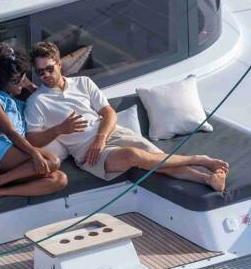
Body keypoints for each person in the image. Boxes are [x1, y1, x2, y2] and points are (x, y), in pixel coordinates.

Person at [24, 42, 228, 191]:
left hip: (109, 133)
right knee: (134, 156)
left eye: (49, 69)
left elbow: (108, 112)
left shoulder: (83, 82)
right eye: (40, 72)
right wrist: (59, 130)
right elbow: (32, 139)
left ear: (59, 64)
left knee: (157, 160)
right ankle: (199, 159)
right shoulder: (37, 101)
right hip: (87, 152)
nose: (46, 75)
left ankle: (207, 179)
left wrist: (100, 138)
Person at [0, 45, 67, 203]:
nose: (20, 83)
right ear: (1, 81)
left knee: (59, 179)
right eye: (15, 80)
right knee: (53, 161)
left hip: (12, 151)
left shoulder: (19, 103)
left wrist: (27, 83)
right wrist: (34, 153)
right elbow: (10, 132)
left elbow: (39, 95)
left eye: (22, 77)